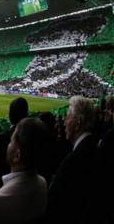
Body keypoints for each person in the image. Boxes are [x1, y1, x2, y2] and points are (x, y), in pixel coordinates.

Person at [46, 96, 99, 224]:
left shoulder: (75, 161)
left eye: (68, 117)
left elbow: (55, 207)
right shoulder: (93, 145)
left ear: (78, 123)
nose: (64, 122)